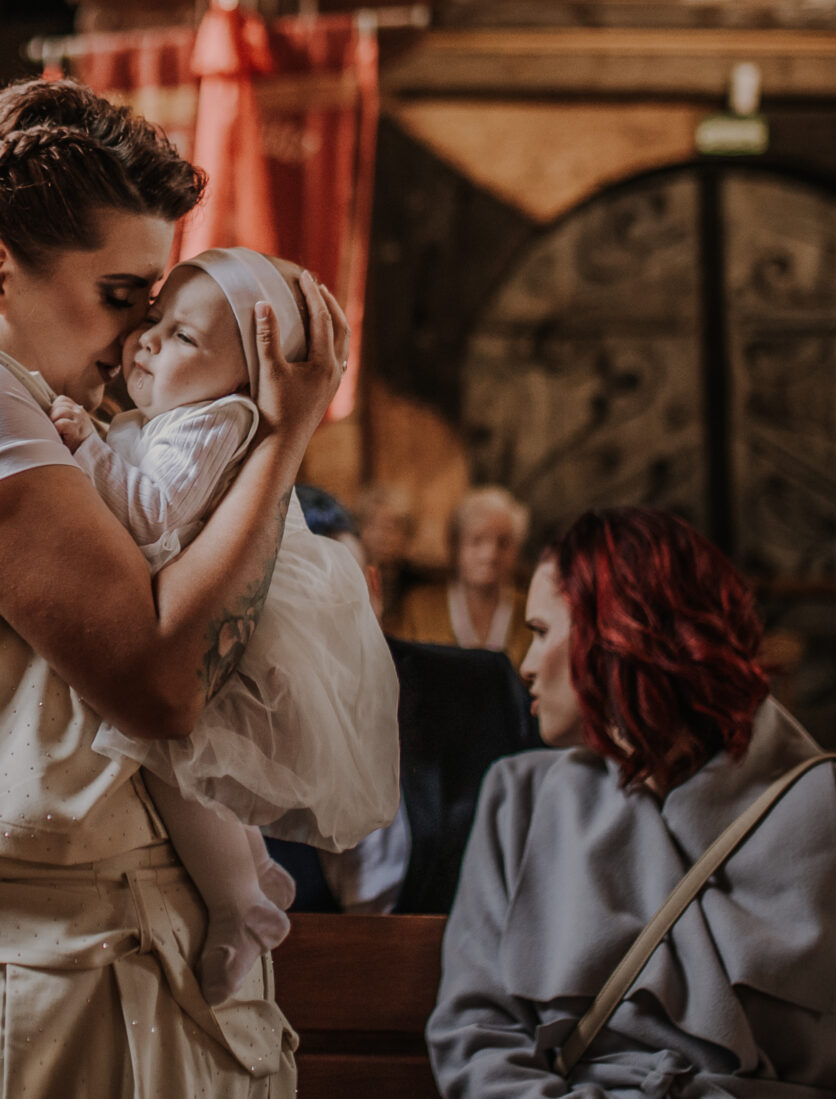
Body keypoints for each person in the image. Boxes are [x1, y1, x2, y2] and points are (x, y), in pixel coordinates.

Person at [0, 77, 358, 1097]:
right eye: (118, 294)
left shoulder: (18, 402)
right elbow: (159, 684)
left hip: (87, 973)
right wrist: (282, 437)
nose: (136, 333)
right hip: (48, 994)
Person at [428, 508, 836, 1097]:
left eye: (543, 632)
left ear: (618, 636)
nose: (524, 665)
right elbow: (478, 1037)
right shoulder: (518, 802)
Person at [45, 247, 397, 998]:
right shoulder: (172, 418)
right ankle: (250, 877)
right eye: (154, 320)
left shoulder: (215, 421)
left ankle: (238, 905)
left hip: (224, 625)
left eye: (182, 336)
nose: (145, 340)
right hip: (191, 608)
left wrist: (86, 447)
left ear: (247, 380)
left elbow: (150, 513)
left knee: (179, 767)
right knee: (195, 771)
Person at [268, 489, 539, 919]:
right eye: (295, 599)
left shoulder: (481, 689)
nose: (325, 620)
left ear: (374, 589)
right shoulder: (229, 727)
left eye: (344, 589)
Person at [395, 486, 532, 666]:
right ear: (455, 546)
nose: (490, 555)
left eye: (503, 543)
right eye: (477, 540)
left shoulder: (530, 612)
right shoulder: (418, 608)